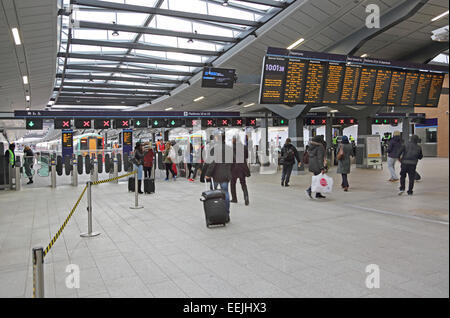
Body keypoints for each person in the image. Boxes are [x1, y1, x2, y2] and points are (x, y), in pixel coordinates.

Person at [205, 139, 232, 222]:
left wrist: (208, 174)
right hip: (225, 175)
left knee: (213, 194)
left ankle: (214, 212)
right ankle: (227, 214)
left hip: (215, 176)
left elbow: (212, 163)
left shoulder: (215, 149)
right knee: (225, 193)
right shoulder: (229, 148)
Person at [230, 136, 251, 205]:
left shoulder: (231, 147)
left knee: (232, 184)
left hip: (234, 168)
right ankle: (246, 197)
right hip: (242, 167)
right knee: (243, 184)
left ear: (233, 140)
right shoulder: (244, 147)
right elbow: (247, 156)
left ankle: (234, 198)